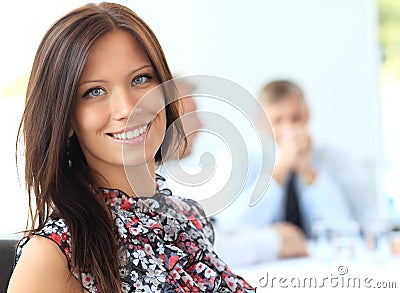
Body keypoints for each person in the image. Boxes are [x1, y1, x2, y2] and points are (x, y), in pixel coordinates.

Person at [7, 3, 255, 292]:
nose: (128, 108)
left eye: (141, 79)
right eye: (94, 92)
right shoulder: (54, 256)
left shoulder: (188, 218)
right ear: (67, 118)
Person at [213, 80, 354, 265]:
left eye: (296, 118)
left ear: (308, 114)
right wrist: (280, 169)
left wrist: (307, 170)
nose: (288, 129)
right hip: (261, 268)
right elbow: (231, 227)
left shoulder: (331, 157)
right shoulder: (238, 157)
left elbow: (344, 231)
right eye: (277, 121)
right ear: (261, 121)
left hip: (319, 265)